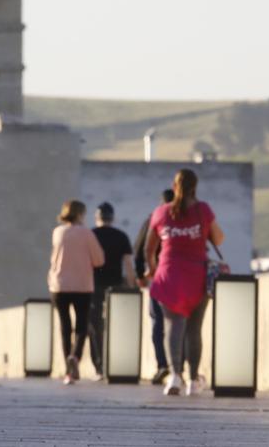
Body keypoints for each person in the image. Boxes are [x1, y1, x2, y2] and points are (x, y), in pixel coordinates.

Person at [144, 169, 226, 397]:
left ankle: (174, 377)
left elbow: (148, 248)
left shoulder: (161, 212)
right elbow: (218, 238)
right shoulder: (203, 210)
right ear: (194, 186)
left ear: (175, 185)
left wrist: (152, 268)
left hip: (168, 274)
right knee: (194, 329)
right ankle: (193, 380)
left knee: (172, 327)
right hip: (196, 275)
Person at [47, 200, 104, 385]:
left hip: (59, 286)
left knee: (65, 326)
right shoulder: (86, 234)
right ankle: (75, 357)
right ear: (80, 214)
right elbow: (99, 260)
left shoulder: (58, 232)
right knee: (81, 326)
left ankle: (67, 372)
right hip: (82, 286)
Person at [87, 202, 135, 378]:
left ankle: (99, 367)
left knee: (95, 326)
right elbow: (128, 265)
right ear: (112, 218)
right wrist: (132, 286)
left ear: (97, 217)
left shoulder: (90, 235)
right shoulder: (121, 236)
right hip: (116, 285)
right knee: (117, 326)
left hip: (93, 285)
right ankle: (116, 364)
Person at [134, 189, 175, 385]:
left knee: (158, 321)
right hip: (183, 277)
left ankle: (162, 365)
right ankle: (180, 366)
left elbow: (141, 249)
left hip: (159, 277)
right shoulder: (187, 217)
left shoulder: (154, 218)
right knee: (180, 323)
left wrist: (142, 273)